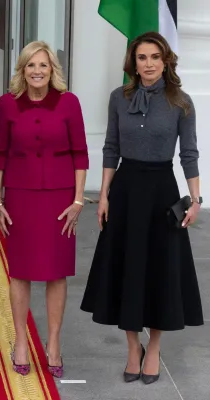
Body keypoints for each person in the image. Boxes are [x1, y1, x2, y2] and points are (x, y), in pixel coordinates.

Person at [80, 31, 204, 385]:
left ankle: (154, 348)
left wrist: (196, 200)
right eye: (141, 58)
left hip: (162, 192)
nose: (148, 64)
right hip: (126, 191)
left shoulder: (182, 102)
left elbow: (189, 154)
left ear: (165, 61)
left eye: (154, 57)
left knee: (160, 271)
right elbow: (111, 148)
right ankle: (133, 346)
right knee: (127, 269)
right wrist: (104, 195)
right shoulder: (119, 98)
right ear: (133, 63)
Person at [0, 41, 89, 378]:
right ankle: (21, 342)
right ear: (22, 69)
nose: (37, 71)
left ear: (52, 70)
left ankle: (54, 343)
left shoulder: (69, 102)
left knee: (56, 272)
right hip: (20, 197)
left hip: (60, 200)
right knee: (20, 271)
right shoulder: (6, 104)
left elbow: (80, 153)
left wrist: (78, 200)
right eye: (31, 65)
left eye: (43, 65)